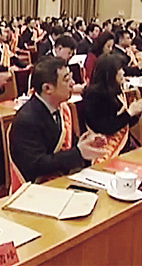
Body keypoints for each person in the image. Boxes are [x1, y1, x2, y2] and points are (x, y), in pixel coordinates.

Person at [9, 57, 107, 186]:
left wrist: (86, 144)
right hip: (37, 187)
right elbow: (35, 165)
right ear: (47, 88)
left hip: (62, 178)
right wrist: (78, 153)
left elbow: (65, 147)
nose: (73, 83)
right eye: (66, 80)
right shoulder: (27, 120)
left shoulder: (62, 108)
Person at [81, 54, 142, 162]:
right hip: (103, 144)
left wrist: (137, 112)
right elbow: (105, 127)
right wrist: (129, 113)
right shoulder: (94, 95)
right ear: (111, 73)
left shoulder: (115, 91)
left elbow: (123, 123)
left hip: (124, 143)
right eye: (120, 69)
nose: (123, 73)